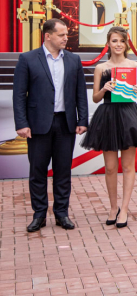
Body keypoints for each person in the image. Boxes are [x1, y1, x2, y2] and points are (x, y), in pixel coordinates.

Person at [13, 18, 89, 232]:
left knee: (63, 171)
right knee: (37, 171)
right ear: (47, 36)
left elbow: (80, 92)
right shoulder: (28, 58)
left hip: (65, 123)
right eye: (61, 35)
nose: (66, 38)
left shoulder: (73, 59)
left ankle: (61, 213)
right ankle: (39, 215)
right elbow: (19, 94)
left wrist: (82, 120)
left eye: (66, 34)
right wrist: (22, 123)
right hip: (38, 124)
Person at [80, 26, 137, 228]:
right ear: (108, 43)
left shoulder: (134, 66)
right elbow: (95, 98)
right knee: (110, 167)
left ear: (126, 44)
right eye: (114, 41)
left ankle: (124, 208)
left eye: (122, 41)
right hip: (107, 116)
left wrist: (135, 90)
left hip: (129, 116)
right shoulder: (101, 68)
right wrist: (104, 89)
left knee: (128, 166)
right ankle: (113, 208)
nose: (118, 44)